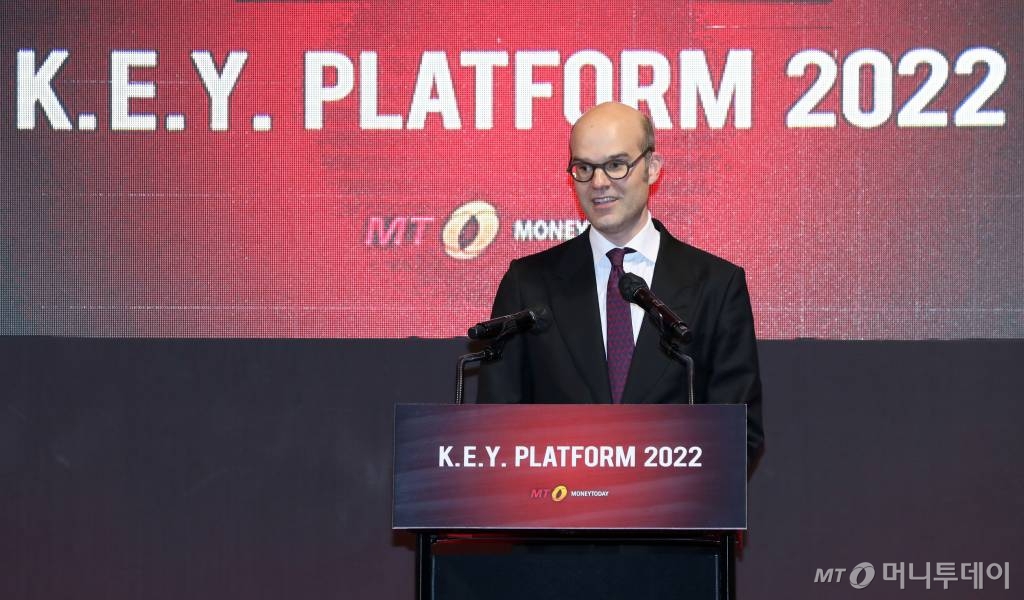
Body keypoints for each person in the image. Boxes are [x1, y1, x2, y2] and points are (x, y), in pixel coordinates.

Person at [477, 102, 764, 466]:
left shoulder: (716, 285)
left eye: (616, 165)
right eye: (584, 168)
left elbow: (740, 434)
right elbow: (496, 433)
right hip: (560, 499)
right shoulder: (528, 284)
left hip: (673, 502)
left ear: (652, 167)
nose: (599, 183)